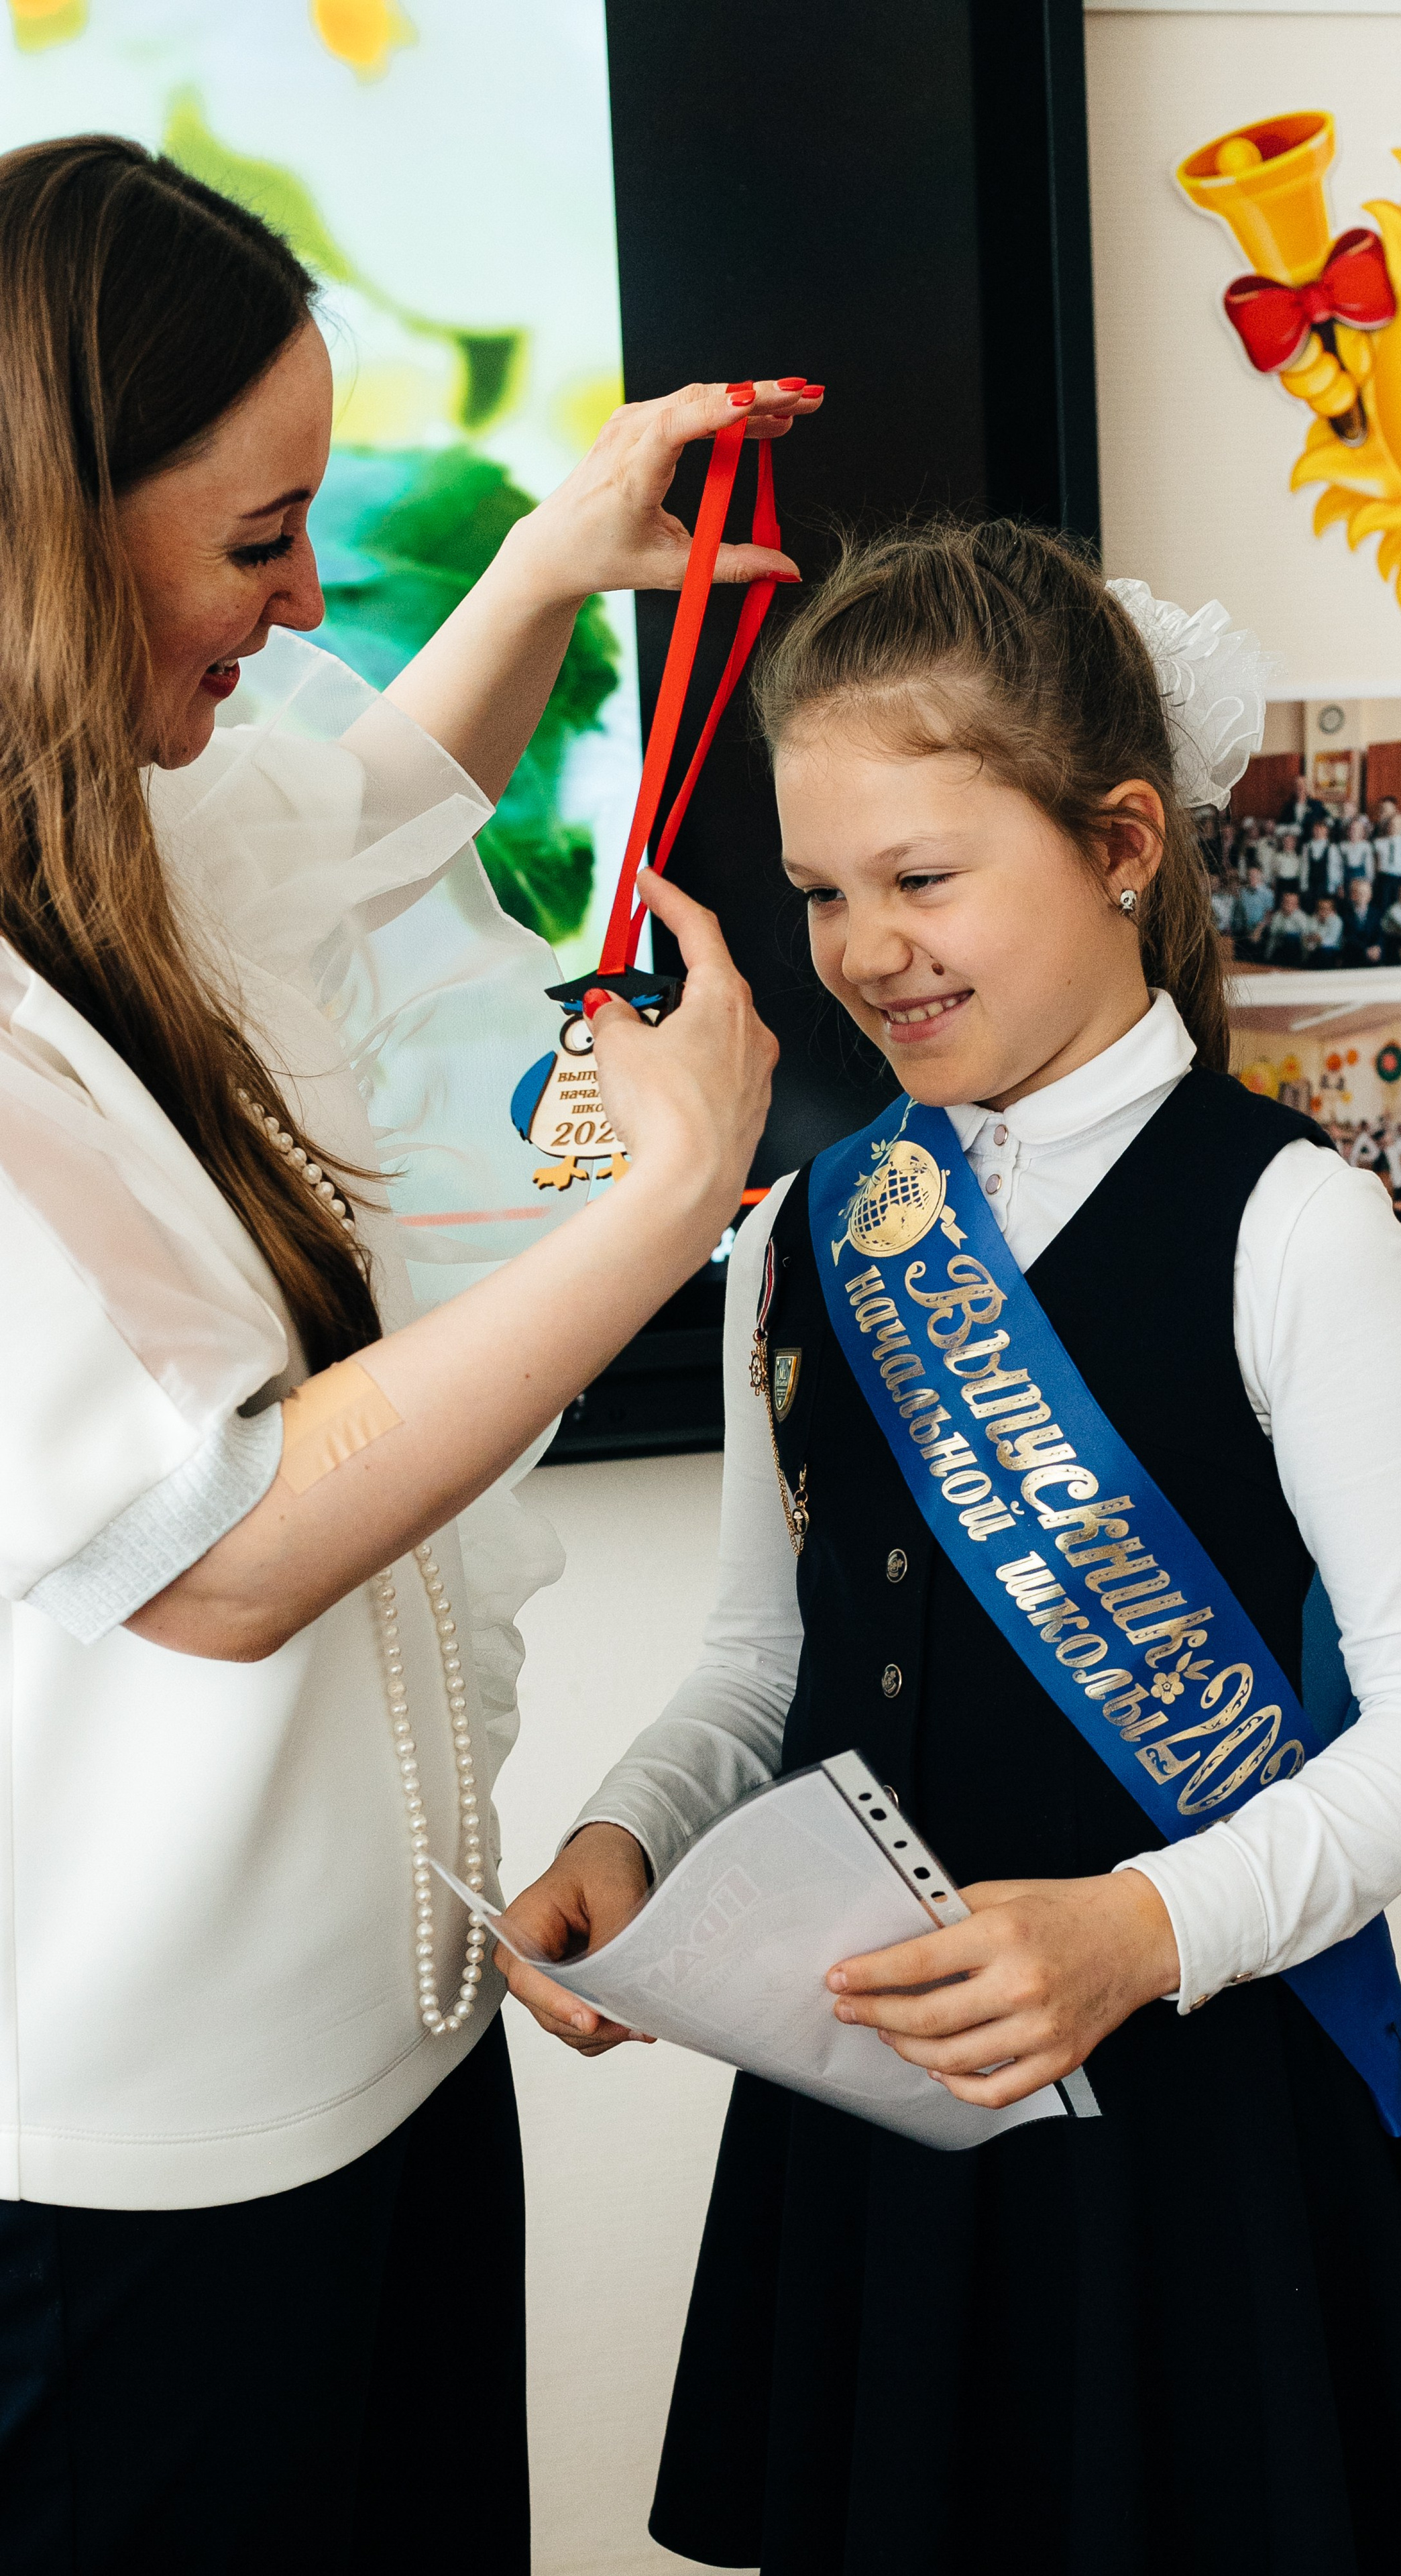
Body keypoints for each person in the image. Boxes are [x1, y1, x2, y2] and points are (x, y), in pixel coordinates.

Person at [500, 522, 1401, 2572]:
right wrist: (631, 1834)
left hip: (1203, 2131)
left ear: (1121, 840)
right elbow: (749, 1657)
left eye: (920, 876)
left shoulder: (1285, 1220)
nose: (865, 945)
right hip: (874, 2103)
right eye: (817, 892)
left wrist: (1131, 1933)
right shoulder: (804, 1233)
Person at [0, 137, 801, 2571]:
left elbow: (371, 790)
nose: (311, 593)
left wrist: (560, 560)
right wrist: (665, 1197)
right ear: (45, 526)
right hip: (148, 2165)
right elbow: (214, 1544)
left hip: (391, 2048)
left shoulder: (118, 814)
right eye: (257, 539)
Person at [1259, 883, 1316, 964]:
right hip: (1280, 947)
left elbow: (1307, 938)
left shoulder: (1302, 917)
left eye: (1292, 903)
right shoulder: (1278, 915)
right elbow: (1273, 936)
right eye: (1286, 902)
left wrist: (1306, 959)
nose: (1288, 905)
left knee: (1291, 937)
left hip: (1298, 950)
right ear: (1281, 903)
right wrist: (1267, 957)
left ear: (1297, 905)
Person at [1343, 873, 1386, 967]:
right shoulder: (1345, 913)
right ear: (1352, 895)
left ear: (1370, 895)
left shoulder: (1376, 913)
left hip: (1373, 954)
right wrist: (1365, 951)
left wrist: (1377, 947)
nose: (1362, 896)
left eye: (1365, 893)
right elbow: (1348, 936)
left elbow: (1380, 934)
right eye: (1359, 893)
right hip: (1354, 954)